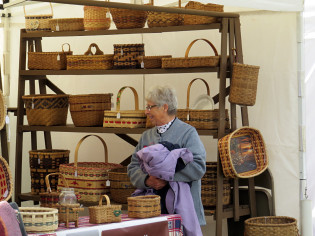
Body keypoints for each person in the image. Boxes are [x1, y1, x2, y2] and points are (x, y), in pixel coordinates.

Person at [127, 85, 206, 235]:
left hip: (184, 216)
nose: (146, 112)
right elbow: (132, 167)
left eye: (150, 107)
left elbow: (198, 167)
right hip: (152, 215)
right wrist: (147, 181)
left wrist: (166, 177)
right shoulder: (146, 136)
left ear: (164, 107)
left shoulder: (188, 133)